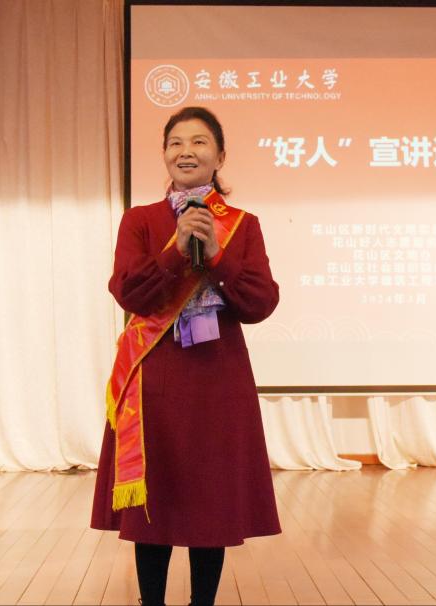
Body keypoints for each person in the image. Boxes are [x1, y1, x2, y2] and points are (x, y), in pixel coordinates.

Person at [91, 106, 281, 606]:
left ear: (220, 155)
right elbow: (129, 293)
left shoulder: (242, 226)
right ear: (164, 155)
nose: (186, 152)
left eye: (199, 142)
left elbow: (261, 303)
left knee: (209, 502)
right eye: (175, 143)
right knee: (156, 503)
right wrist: (175, 250)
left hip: (218, 378)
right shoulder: (141, 221)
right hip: (156, 379)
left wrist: (216, 256)